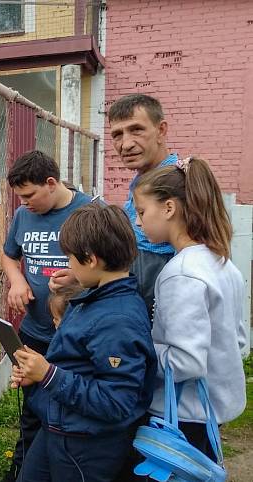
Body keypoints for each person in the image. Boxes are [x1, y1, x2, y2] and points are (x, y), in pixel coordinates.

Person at [11, 203, 157, 482]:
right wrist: (37, 378)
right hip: (63, 428)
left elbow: (117, 402)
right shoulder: (94, 296)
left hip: (86, 446)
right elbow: (78, 362)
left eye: (69, 259)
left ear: (90, 259)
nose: (68, 266)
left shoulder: (117, 320)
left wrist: (48, 374)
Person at [132, 156, 246, 461]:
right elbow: (239, 341)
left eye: (142, 212)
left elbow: (186, 362)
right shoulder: (223, 263)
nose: (138, 222)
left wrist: (137, 350)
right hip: (210, 410)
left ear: (169, 208)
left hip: (182, 417)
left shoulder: (180, 273)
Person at [0, 150, 91, 481]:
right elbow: (10, 256)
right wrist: (18, 280)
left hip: (74, 334)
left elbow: (113, 267)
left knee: (69, 408)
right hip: (35, 331)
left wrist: (77, 278)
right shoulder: (24, 217)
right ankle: (25, 469)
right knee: (33, 410)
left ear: (51, 183)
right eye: (19, 197)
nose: (24, 203)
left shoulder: (90, 211)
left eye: (29, 195)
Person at [50, 94, 177, 318]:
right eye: (117, 135)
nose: (126, 144)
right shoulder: (141, 183)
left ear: (161, 130)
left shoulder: (178, 185)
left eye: (136, 129)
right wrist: (86, 274)